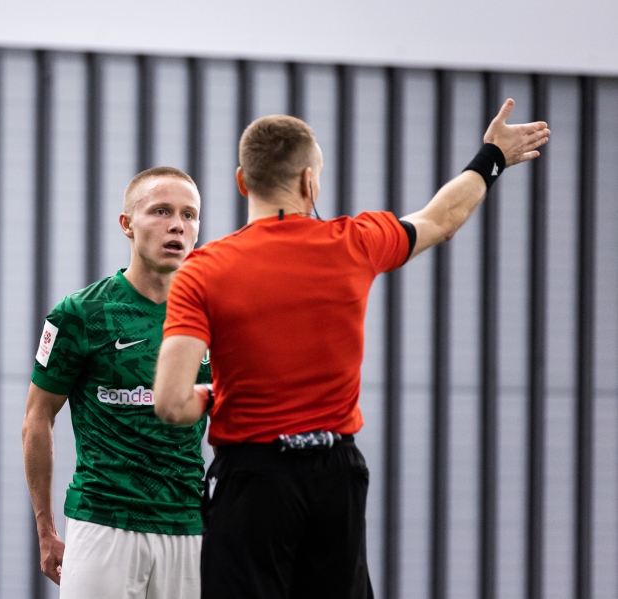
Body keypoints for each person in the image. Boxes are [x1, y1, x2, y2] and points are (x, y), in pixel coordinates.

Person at [153, 103, 549, 598]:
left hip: (254, 480)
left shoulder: (202, 270)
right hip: (335, 477)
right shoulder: (355, 242)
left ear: (241, 181)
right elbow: (443, 218)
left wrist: (216, 395)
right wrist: (493, 156)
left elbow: (171, 405)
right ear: (309, 182)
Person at [22, 166, 211, 599]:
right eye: (161, 211)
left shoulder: (210, 314)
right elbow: (37, 418)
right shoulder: (80, 313)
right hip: (102, 523)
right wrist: (46, 529)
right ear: (127, 223)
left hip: (188, 527)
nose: (177, 225)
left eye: (189, 214)